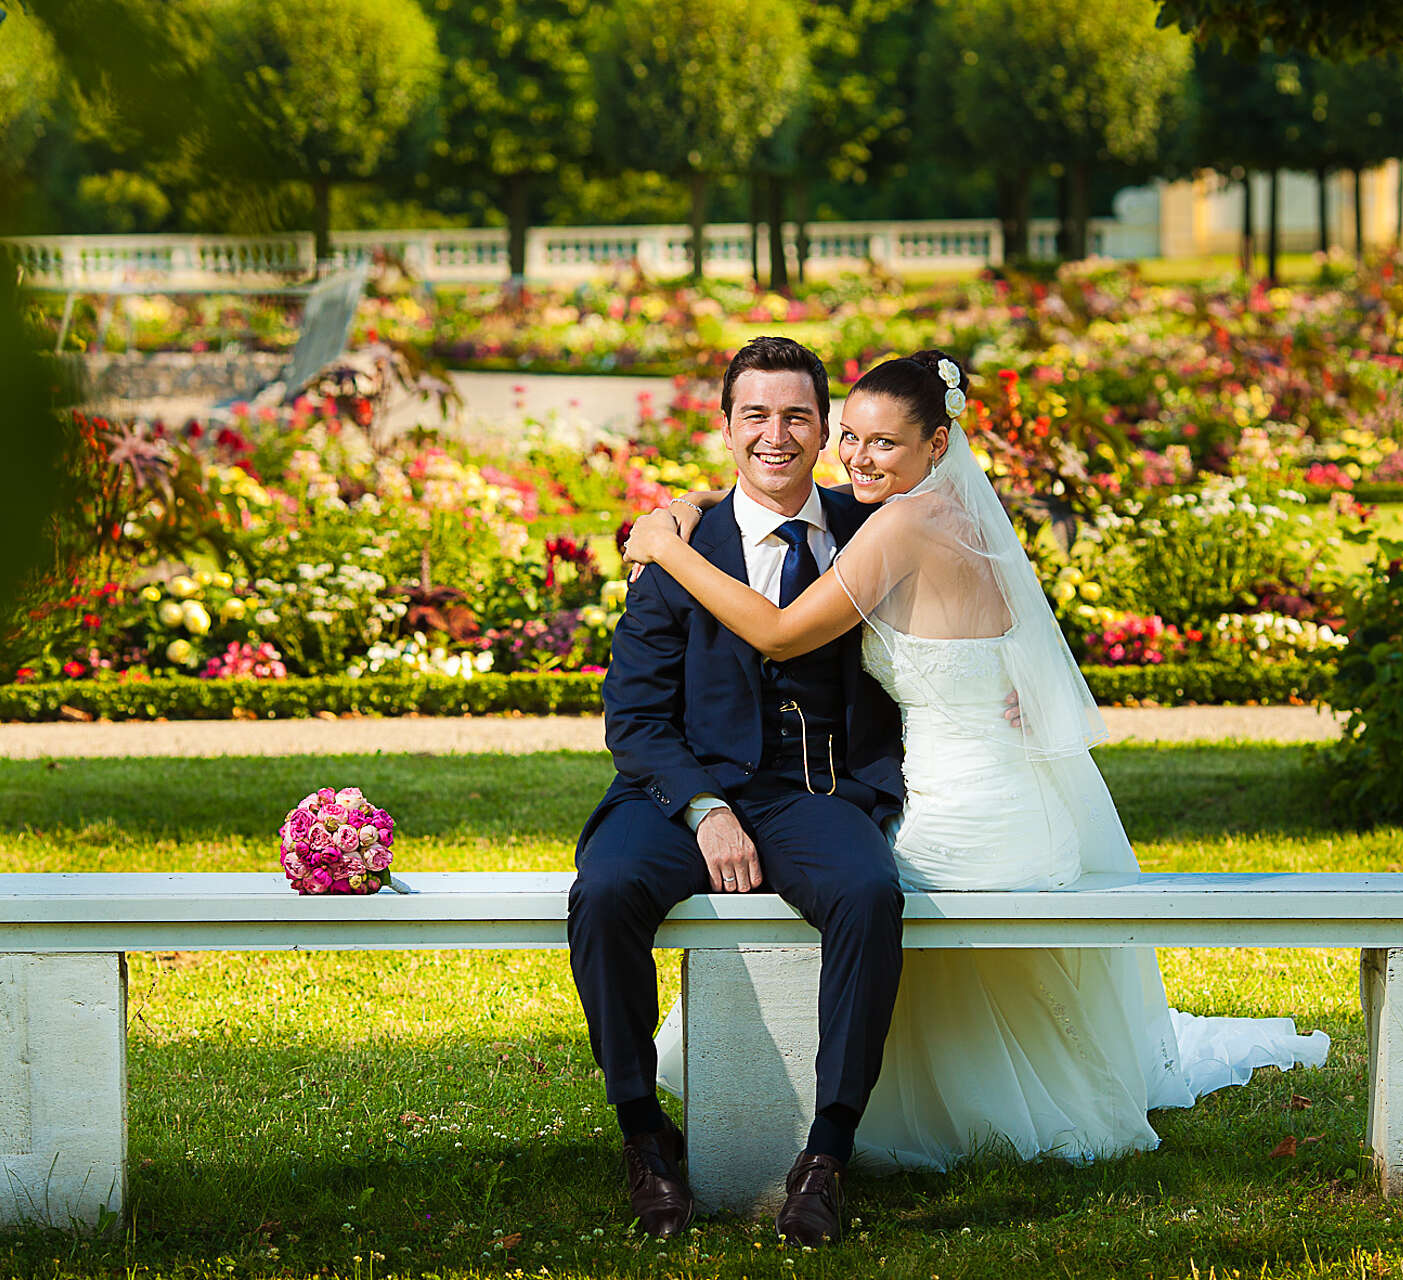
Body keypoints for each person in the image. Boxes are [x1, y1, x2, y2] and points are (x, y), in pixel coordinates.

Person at [623, 348, 1327, 1175]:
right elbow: (816, 504)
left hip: (962, 819)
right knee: (837, 863)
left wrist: (668, 547)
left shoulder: (901, 525)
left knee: (841, 878)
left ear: (937, 442)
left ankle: (794, 1100)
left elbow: (780, 633)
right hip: (1016, 803)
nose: (857, 458)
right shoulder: (950, 511)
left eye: (883, 443)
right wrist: (696, 502)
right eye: (850, 437)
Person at [567, 336, 907, 1246]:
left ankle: (827, 1153)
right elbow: (634, 721)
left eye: (797, 414)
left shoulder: (873, 529)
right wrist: (705, 809)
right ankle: (643, 1133)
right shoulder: (675, 548)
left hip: (815, 795)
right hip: (679, 793)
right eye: (754, 414)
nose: (776, 433)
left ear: (826, 427)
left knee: (871, 892)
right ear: (725, 429)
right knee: (603, 893)